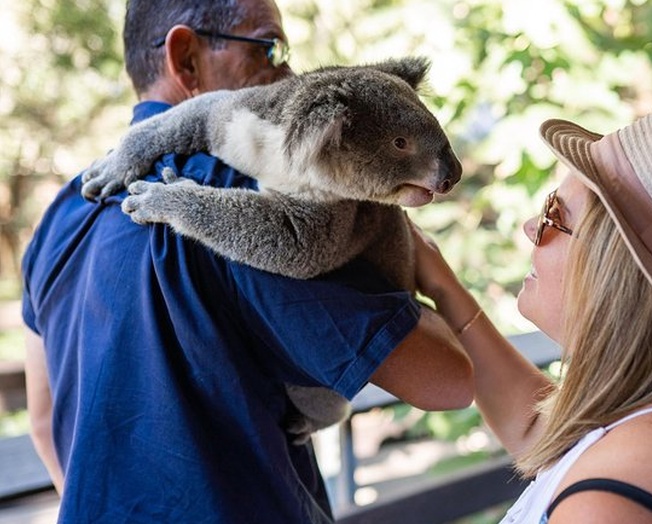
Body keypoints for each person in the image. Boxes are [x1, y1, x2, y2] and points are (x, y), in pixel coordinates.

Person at [21, 1, 473, 522]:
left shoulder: (61, 212)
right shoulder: (252, 197)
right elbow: (446, 380)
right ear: (186, 58)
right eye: (269, 46)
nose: (288, 70)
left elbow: (43, 418)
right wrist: (431, 272)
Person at [412, 108, 652, 523]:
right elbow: (540, 432)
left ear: (610, 271)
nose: (531, 227)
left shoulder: (610, 501)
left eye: (554, 214)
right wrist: (442, 285)